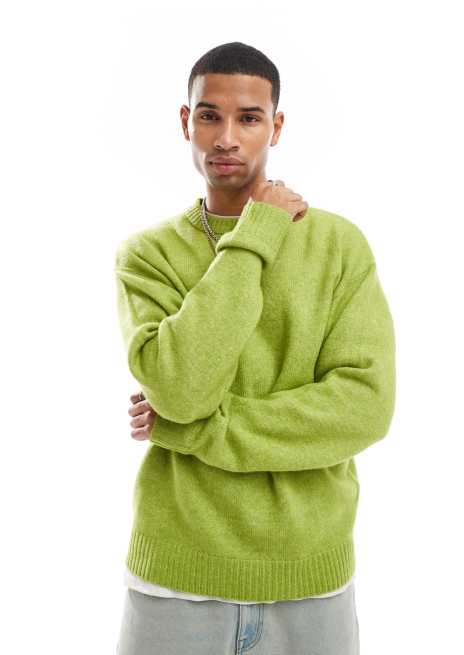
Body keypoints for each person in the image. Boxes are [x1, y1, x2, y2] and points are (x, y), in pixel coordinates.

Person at [114, 40, 396, 655]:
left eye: (248, 118)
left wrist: (191, 429)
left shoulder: (338, 247)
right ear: (186, 121)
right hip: (176, 582)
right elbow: (181, 388)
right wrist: (258, 232)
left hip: (311, 579)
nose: (226, 138)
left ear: (277, 126)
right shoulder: (149, 256)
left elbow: (364, 408)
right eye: (209, 115)